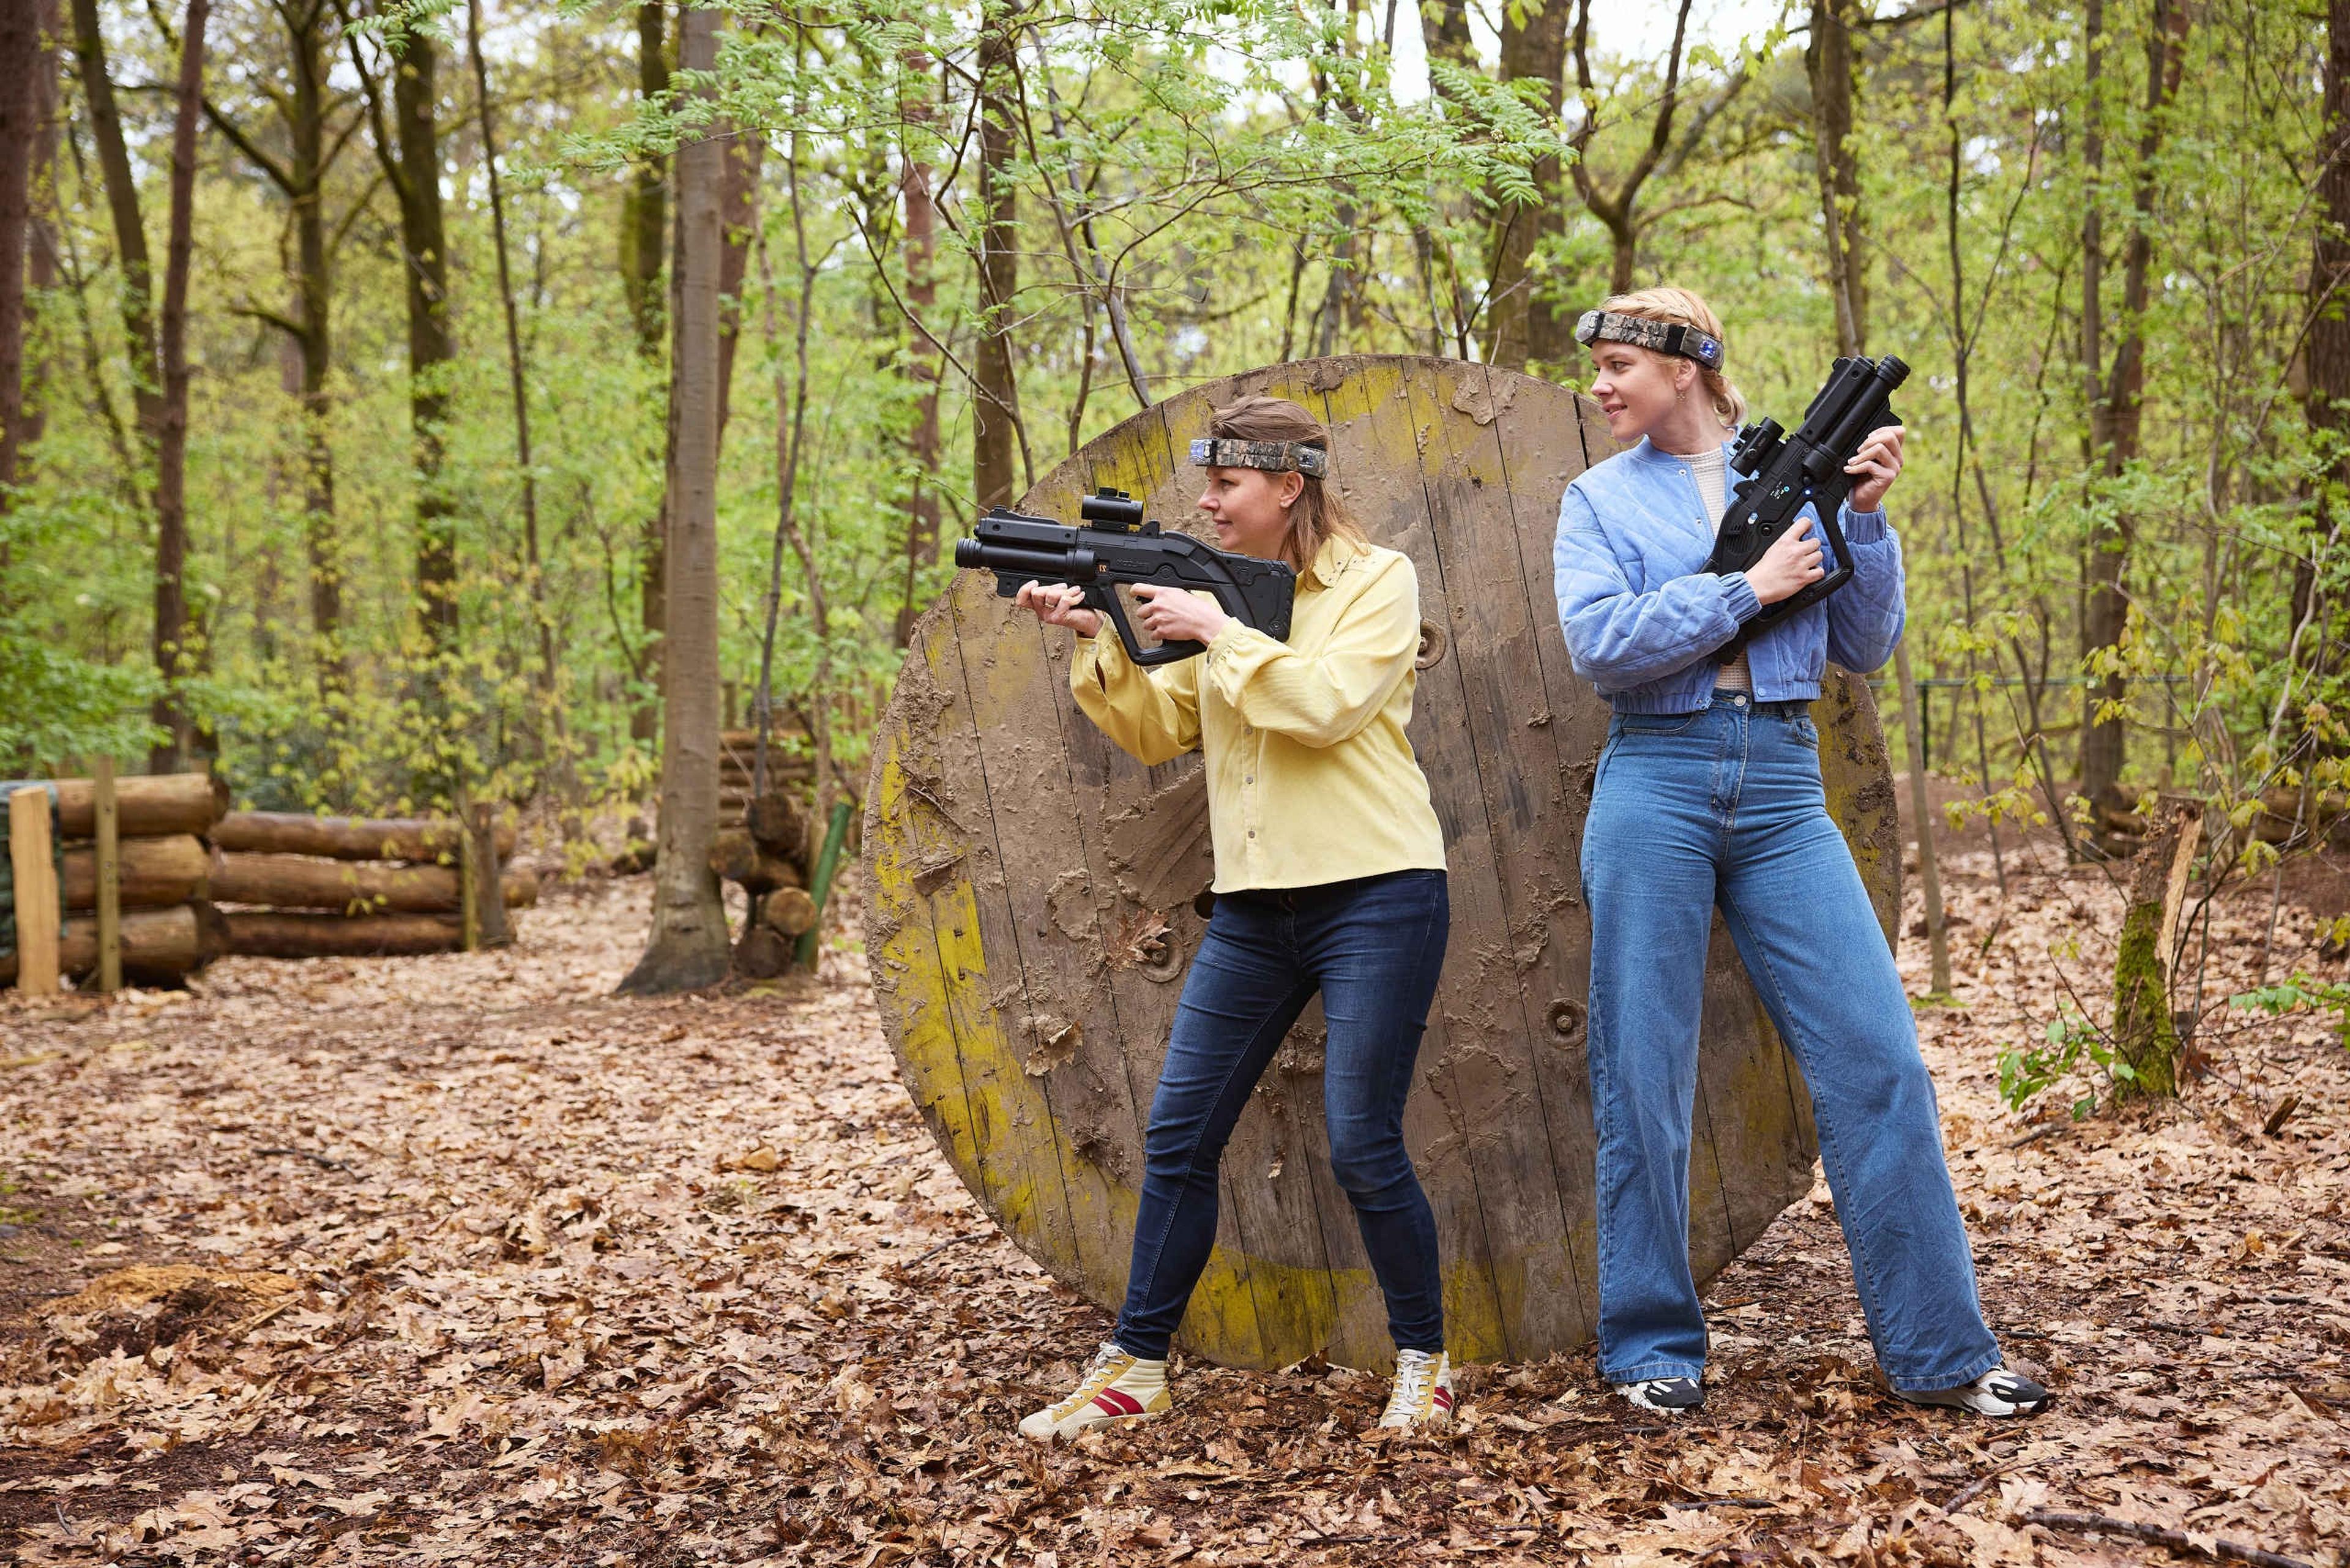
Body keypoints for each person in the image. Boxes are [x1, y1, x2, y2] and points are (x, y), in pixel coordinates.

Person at [1552, 287, 2048, 1419]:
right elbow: (1601, 648)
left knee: (1880, 1060)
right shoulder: (1595, 501)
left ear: (1687, 367)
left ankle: (1941, 1351)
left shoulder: (1801, 477)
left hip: (1784, 780)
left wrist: (1864, 520)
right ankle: (1652, 1349)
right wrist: (1747, 588)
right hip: (1657, 779)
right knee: (1645, 1071)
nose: (1601, 384)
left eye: (1619, 364)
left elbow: (1865, 646)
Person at [1011, 396, 1455, 1441]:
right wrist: (1102, 636)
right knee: (1179, 1133)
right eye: (1206, 484)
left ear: (1287, 488)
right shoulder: (1216, 594)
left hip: (1379, 890)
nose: (1205, 502)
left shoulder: (1377, 581)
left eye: (1226, 485)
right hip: (1258, 902)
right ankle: (1137, 1365)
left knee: (1362, 1141)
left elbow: (1326, 704)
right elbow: (1164, 729)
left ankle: (1426, 1364)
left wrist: (1219, 631)